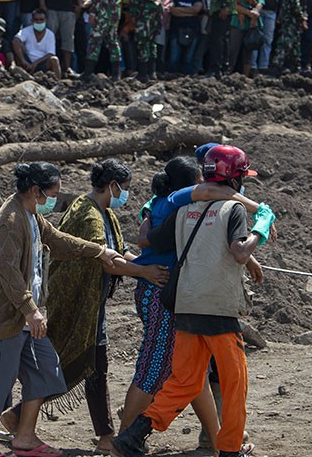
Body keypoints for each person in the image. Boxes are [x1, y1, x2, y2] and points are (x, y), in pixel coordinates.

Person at [0, 159, 170, 455]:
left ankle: (17, 415)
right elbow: (108, 262)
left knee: (78, 364)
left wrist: (144, 264)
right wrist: (144, 272)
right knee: (89, 365)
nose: (125, 194)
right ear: (112, 185)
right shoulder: (88, 215)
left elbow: (119, 251)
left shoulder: (104, 213)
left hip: (92, 301)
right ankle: (104, 435)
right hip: (77, 301)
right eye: (124, 189)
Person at [113, 145, 275, 457]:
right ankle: (229, 450)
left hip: (185, 308)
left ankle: (133, 435)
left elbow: (151, 240)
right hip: (218, 311)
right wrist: (262, 225)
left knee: (183, 382)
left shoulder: (182, 209)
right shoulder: (235, 210)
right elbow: (240, 252)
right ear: (236, 178)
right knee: (234, 384)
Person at [0, 162, 125, 457]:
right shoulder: (9, 221)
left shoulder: (31, 216)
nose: (55, 198)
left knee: (46, 372)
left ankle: (25, 437)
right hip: (7, 317)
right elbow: (8, 273)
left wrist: (99, 250)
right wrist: (30, 310)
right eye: (53, 193)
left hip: (28, 318)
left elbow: (58, 241)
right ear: (36, 190)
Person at [81, 0, 122, 81]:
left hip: (103, 13)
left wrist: (92, 12)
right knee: (113, 42)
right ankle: (116, 74)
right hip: (114, 12)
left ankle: (88, 73)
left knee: (95, 42)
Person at [13, 8, 62, 78]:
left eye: (41, 20)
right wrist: (23, 61)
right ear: (32, 21)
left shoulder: (50, 34)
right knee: (19, 45)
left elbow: (51, 53)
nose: (39, 22)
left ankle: (58, 83)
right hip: (27, 62)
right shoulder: (26, 31)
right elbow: (15, 40)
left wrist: (36, 63)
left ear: (46, 20)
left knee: (54, 59)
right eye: (36, 20)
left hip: (42, 63)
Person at [39, 0, 78, 74]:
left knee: (68, 39)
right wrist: (42, 4)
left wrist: (78, 5)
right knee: (48, 38)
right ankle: (48, 66)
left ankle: (67, 67)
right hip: (51, 7)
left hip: (68, 8)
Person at [269, 0, 307, 74]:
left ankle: (295, 68)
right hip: (289, 24)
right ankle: (276, 66)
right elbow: (295, 8)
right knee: (285, 45)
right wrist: (303, 19)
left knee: (295, 47)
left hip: (295, 25)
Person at [228, 0, 263, 75]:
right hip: (238, 22)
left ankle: (245, 76)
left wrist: (255, 12)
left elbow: (261, 2)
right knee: (233, 49)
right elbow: (233, 4)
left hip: (251, 23)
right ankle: (228, 72)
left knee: (248, 51)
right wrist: (248, 13)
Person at [169, 0, 203, 74]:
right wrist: (190, 12)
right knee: (174, 56)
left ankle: (186, 76)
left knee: (189, 57)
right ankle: (172, 75)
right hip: (176, 30)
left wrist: (180, 10)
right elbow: (173, 10)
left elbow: (196, 9)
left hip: (193, 30)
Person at [205, 0, 234, 76]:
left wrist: (225, 7)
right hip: (218, 9)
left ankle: (217, 68)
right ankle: (221, 68)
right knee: (220, 39)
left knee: (218, 40)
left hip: (221, 10)